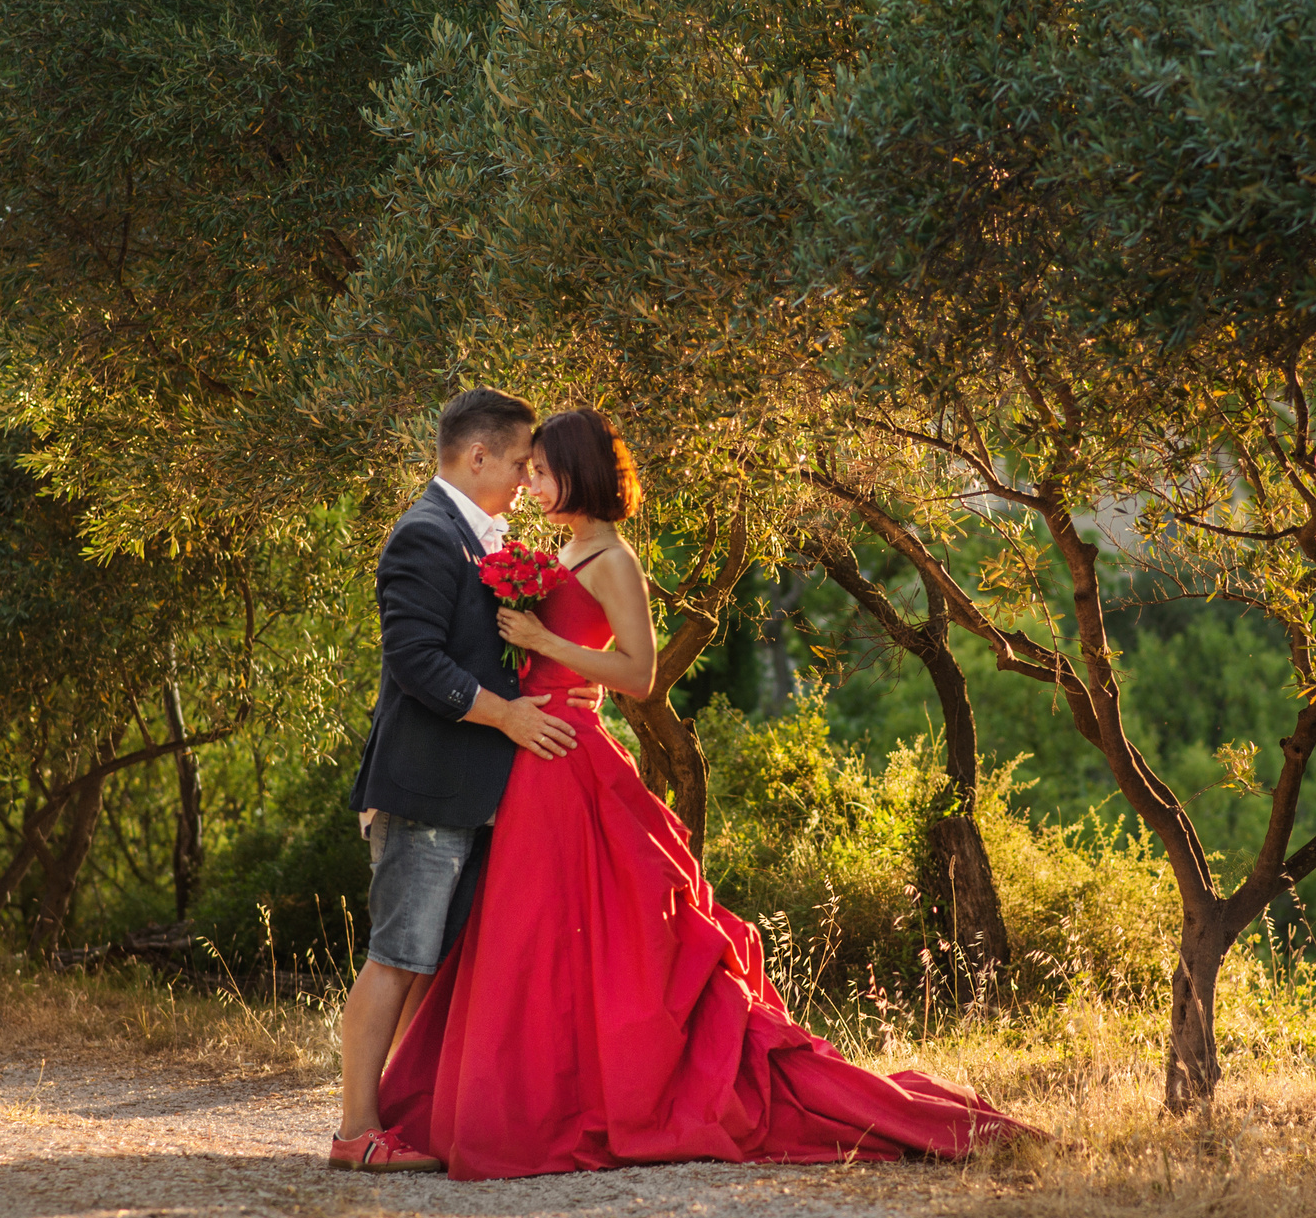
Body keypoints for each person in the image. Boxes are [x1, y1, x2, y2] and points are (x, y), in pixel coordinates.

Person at [375, 406, 1030, 1178]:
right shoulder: (560, 546)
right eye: (531, 468)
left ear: (579, 473)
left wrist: (548, 643)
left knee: (588, 937)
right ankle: (514, 1096)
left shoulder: (614, 559)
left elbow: (640, 675)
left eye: (545, 471)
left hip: (570, 749)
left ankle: (570, 1102)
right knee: (533, 940)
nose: (533, 482)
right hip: (532, 749)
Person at [329, 386, 592, 1172]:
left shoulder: (480, 538)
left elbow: (490, 651)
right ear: (477, 456)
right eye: (518, 464)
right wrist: (510, 716)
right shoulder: (424, 535)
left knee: (432, 964)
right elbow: (416, 663)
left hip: (468, 795)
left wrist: (560, 679)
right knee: (398, 954)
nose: (524, 481)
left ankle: (404, 1116)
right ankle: (355, 1133)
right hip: (422, 790)